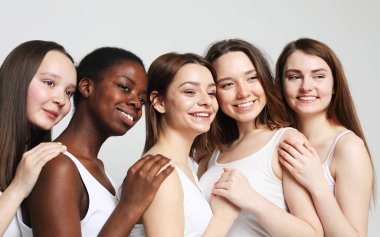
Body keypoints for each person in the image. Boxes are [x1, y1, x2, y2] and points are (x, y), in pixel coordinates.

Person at [19, 47, 175, 236]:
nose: (136, 103)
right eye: (124, 87)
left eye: (142, 100)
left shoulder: (98, 170)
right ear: (86, 88)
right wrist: (130, 206)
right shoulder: (57, 166)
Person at [197, 39, 324, 237]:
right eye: (228, 84)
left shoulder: (286, 142)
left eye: (251, 78)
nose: (243, 92)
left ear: (264, 79)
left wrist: (252, 200)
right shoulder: (213, 153)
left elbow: (312, 233)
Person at [129, 52, 239, 237]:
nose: (206, 101)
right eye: (190, 92)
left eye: (211, 93)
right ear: (159, 102)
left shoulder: (186, 169)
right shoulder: (161, 173)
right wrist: (223, 219)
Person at [274, 37, 374, 237]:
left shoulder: (348, 147)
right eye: (294, 77)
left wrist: (316, 182)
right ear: (281, 86)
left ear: (335, 84)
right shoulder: (277, 140)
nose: (306, 86)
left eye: (318, 76)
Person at [0, 40, 76, 237]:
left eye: (69, 93)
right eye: (49, 83)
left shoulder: (36, 163)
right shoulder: (21, 179)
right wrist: (17, 189)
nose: (61, 100)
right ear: (18, 79)